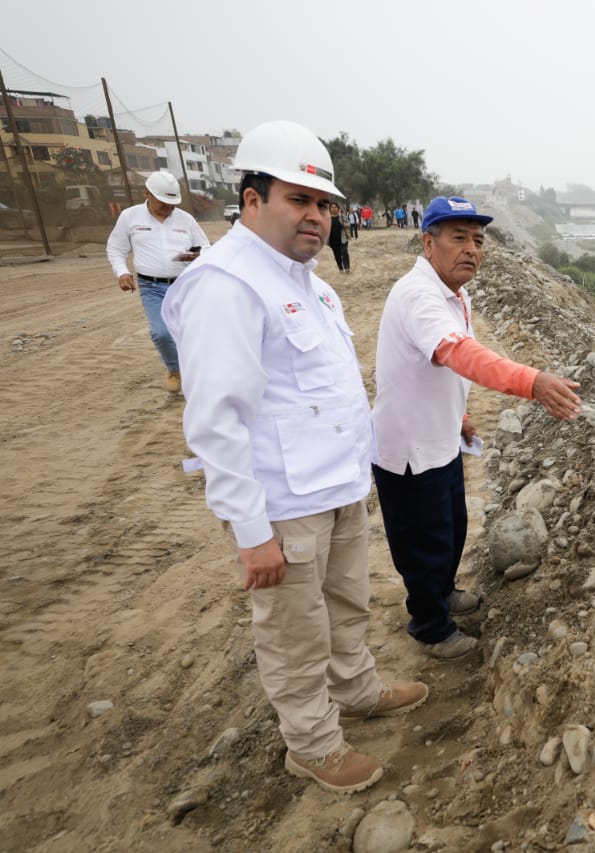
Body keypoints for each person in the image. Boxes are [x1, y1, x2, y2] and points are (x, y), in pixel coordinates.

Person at [161, 120, 426, 794]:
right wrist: (252, 534)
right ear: (252, 199)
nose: (316, 216)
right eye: (298, 199)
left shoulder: (309, 281)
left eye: (324, 203)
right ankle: (311, 743)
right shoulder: (227, 284)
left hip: (334, 488)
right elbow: (217, 424)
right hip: (282, 506)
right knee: (293, 633)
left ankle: (357, 688)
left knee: (345, 605)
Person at [372, 196, 582, 659]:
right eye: (459, 238)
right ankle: (429, 625)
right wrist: (532, 381)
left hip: (442, 436)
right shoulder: (418, 296)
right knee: (424, 540)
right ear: (428, 242)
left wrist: (461, 416)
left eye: (478, 240)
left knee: (451, 526)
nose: (472, 249)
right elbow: (461, 355)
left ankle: (443, 594)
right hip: (410, 447)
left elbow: (447, 367)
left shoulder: (456, 295)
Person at [106, 171, 210, 393]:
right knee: (161, 333)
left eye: (172, 204)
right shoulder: (130, 217)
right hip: (151, 286)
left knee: (191, 332)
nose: (169, 208)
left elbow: (205, 247)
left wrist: (188, 255)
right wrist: (122, 273)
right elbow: (116, 248)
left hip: (184, 285)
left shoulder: (185, 219)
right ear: (147, 194)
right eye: (164, 203)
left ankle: (197, 373)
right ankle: (174, 369)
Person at [328, 202, 351, 273]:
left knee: (344, 252)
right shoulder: (327, 218)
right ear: (329, 209)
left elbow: (348, 224)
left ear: (338, 208)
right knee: (337, 254)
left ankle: (347, 268)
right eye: (332, 207)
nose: (333, 208)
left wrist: (345, 224)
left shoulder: (341, 216)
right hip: (333, 240)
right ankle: (340, 268)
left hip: (343, 238)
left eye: (335, 207)